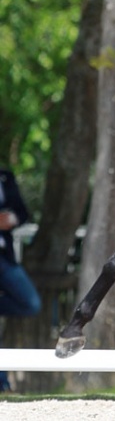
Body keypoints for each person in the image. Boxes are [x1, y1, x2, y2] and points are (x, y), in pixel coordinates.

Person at [0, 167, 41, 392]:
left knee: (30, 303)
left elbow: (22, 212)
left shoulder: (5, 176)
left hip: (4, 258)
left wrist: (11, 219)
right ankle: (3, 383)